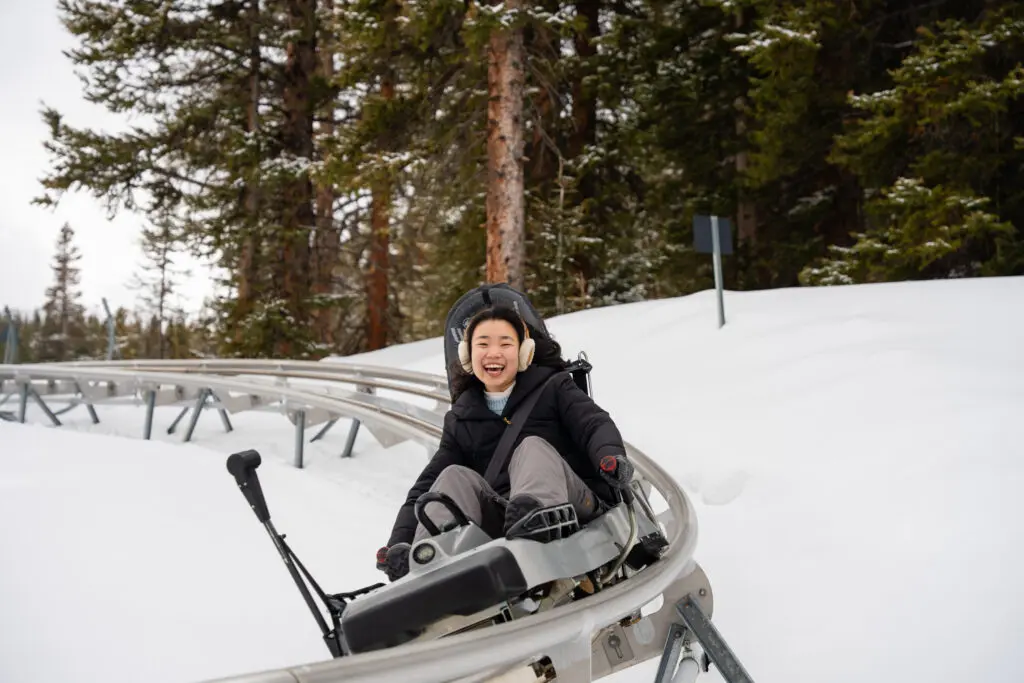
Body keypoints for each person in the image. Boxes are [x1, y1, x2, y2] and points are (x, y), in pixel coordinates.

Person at [375, 304, 635, 581]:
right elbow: (426, 484)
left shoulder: (554, 387)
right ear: (468, 356)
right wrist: (399, 543)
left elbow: (594, 424)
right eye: (483, 344)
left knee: (532, 447)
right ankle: (430, 563)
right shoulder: (461, 417)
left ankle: (537, 520)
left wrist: (610, 457)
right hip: (508, 520)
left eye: (505, 343)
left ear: (524, 353)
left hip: (573, 505)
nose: (494, 353)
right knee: (450, 477)